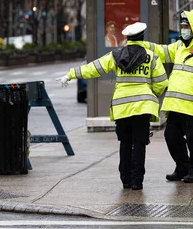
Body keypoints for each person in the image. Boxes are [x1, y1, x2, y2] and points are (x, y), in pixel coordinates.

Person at [57, 22, 168, 190]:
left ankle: (126, 180)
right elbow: (162, 82)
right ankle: (137, 182)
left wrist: (71, 74)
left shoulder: (116, 56)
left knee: (125, 143)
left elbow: (93, 68)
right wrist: (149, 93)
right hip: (142, 108)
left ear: (127, 38)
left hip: (121, 107)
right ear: (142, 37)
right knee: (139, 143)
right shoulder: (152, 57)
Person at [145, 9, 193, 183]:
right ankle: (182, 167)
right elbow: (162, 51)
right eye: (182, 26)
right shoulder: (179, 46)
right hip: (175, 105)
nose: (183, 29)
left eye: (186, 26)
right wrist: (142, 44)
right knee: (171, 136)